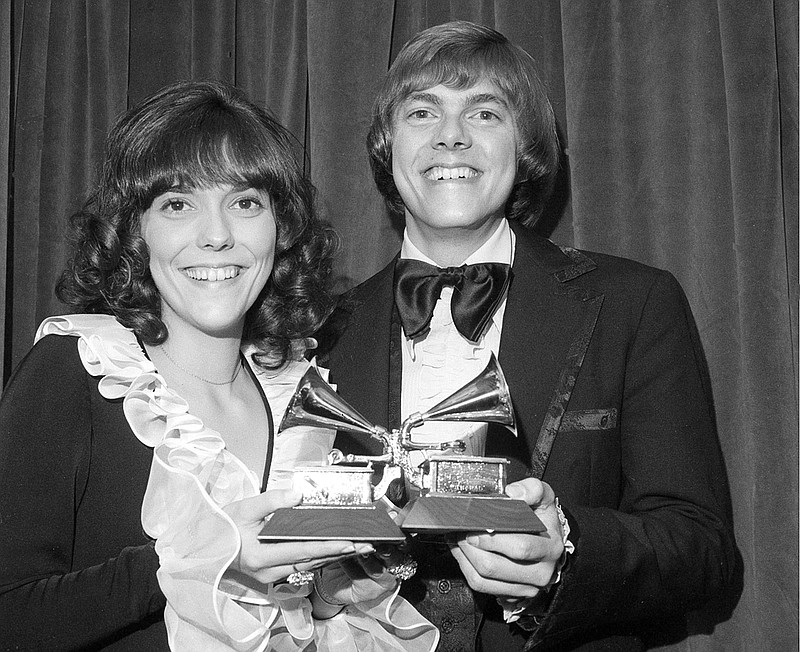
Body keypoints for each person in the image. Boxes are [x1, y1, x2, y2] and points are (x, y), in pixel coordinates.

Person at [319, 21, 737, 651]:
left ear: (526, 147)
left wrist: (567, 551)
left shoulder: (634, 303)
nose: (451, 135)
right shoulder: (321, 331)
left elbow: (703, 551)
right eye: (421, 111)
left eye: (485, 112)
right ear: (387, 145)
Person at [0, 81, 437, 651]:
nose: (217, 236)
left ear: (280, 229)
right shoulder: (77, 371)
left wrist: (333, 594)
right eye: (178, 204)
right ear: (135, 232)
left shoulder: (302, 394)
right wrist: (202, 562)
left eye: (246, 202)